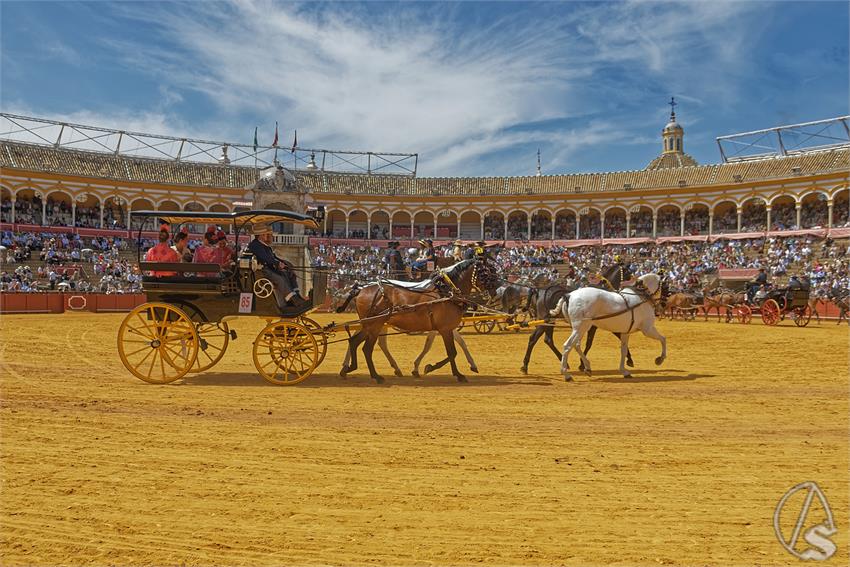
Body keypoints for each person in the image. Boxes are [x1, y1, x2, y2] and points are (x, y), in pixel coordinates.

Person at [247, 223, 307, 308]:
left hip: (269, 269)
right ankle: (292, 299)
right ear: (262, 235)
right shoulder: (255, 245)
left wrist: (285, 263)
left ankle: (296, 295)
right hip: (262, 271)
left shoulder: (265, 246)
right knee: (280, 279)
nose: (272, 237)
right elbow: (265, 258)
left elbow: (273, 257)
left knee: (289, 274)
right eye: (269, 235)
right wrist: (277, 263)